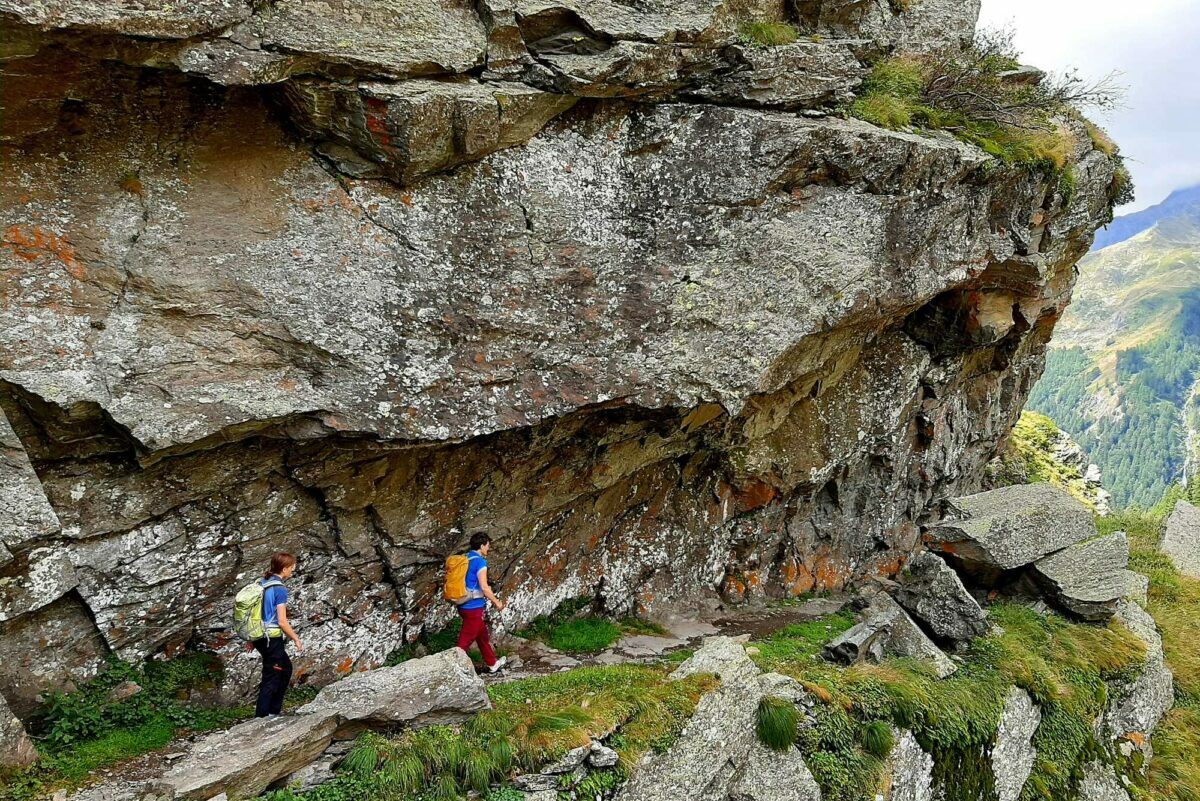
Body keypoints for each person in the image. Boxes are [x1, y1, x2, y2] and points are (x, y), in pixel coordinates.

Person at [252, 552, 303, 717]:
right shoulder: (279, 589)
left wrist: (252, 638)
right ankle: (263, 717)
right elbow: (281, 621)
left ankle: (272, 711)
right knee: (272, 675)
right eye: (292, 569)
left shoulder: (262, 583)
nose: (292, 572)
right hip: (271, 638)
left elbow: (254, 614)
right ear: (284, 568)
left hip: (260, 637)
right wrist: (295, 638)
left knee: (285, 669)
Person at [455, 532, 507, 673]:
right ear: (482, 545)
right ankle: (453, 668)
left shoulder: (465, 558)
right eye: (488, 546)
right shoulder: (479, 561)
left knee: (482, 635)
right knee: (464, 642)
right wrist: (497, 602)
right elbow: (484, 587)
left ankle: (492, 663)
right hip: (474, 606)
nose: (488, 549)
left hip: (462, 603)